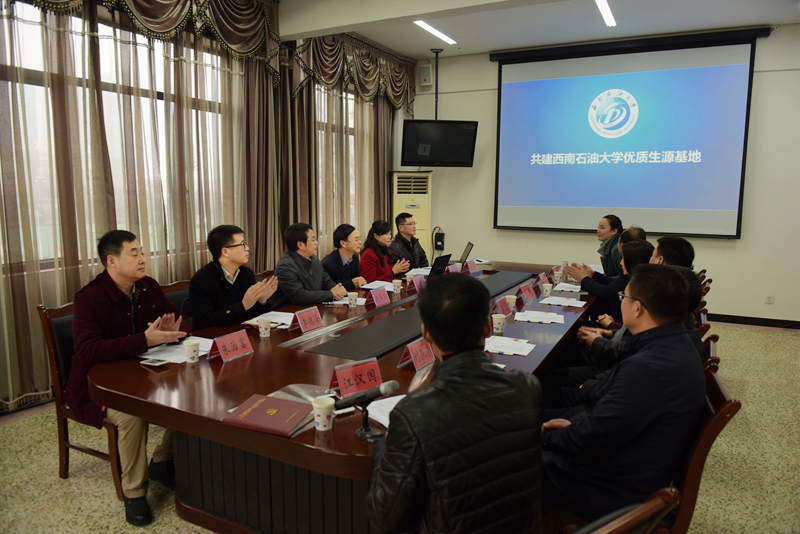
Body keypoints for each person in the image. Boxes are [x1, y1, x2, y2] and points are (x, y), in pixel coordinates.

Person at [366, 274, 543, 533]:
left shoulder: (413, 414)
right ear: (487, 327)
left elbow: (383, 518)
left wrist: (387, 441)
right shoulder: (527, 387)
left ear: (425, 333)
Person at [540, 264, 706, 520]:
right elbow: (610, 422)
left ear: (637, 308)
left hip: (612, 486)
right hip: (635, 464)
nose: (622, 302)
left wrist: (547, 437)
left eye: (624, 297)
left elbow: (594, 438)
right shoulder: (674, 343)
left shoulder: (648, 366)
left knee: (507, 460)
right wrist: (573, 426)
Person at [66, 230, 191, 526]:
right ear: (112, 260)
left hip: (144, 375)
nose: (142, 259)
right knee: (132, 414)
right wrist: (144, 340)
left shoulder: (147, 286)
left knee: (188, 394)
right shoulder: (89, 298)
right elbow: (87, 350)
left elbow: (182, 319)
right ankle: (134, 492)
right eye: (134, 253)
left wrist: (174, 329)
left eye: (142, 252)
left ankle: (162, 460)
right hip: (97, 387)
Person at [189, 225, 278, 331]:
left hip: (244, 333)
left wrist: (261, 302)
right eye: (242, 244)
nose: (247, 248)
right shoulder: (202, 279)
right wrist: (242, 306)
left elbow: (254, 316)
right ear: (225, 252)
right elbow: (203, 321)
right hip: (217, 336)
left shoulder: (246, 273)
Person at [565, 239, 654, 322]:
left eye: (623, 258)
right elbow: (612, 284)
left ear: (633, 261)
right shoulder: (636, 277)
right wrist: (593, 275)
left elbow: (606, 291)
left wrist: (583, 278)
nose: (621, 262)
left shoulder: (634, 281)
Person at [269, 223, 348, 308]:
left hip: (312, 308)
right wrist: (331, 294)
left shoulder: (314, 259)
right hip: (288, 311)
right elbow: (300, 296)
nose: (316, 243)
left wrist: (338, 289)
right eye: (313, 240)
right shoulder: (285, 266)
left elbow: (326, 281)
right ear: (300, 244)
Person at [321, 224, 367, 291]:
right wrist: (351, 283)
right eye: (356, 239)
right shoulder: (328, 264)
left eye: (359, 239)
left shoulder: (354, 257)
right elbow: (331, 289)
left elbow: (356, 282)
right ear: (343, 243)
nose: (360, 242)